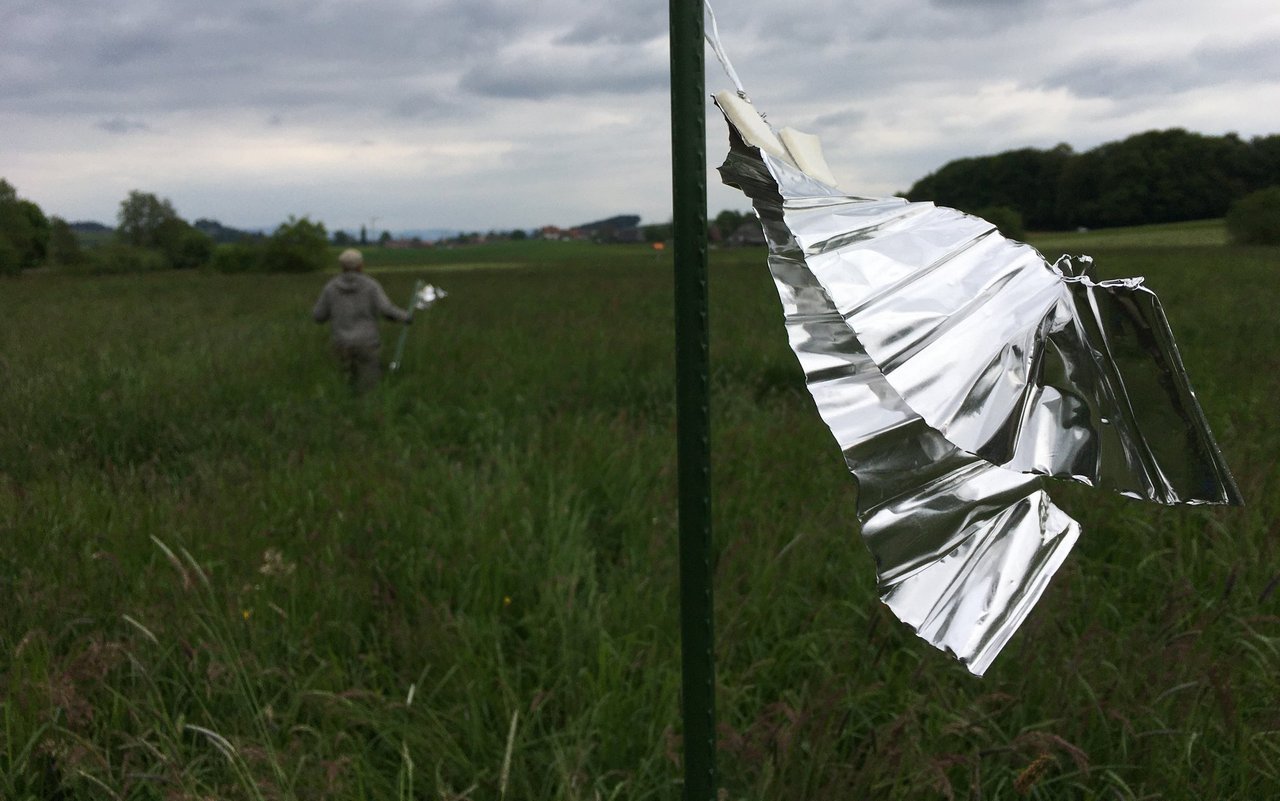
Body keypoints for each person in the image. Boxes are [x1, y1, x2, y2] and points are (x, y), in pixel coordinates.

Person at [312, 248, 410, 392]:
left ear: (342, 266)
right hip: (367, 344)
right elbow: (387, 310)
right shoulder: (371, 285)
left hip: (341, 344)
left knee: (344, 388)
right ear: (360, 266)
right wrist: (406, 317)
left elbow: (318, 316)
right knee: (369, 389)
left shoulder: (330, 287)